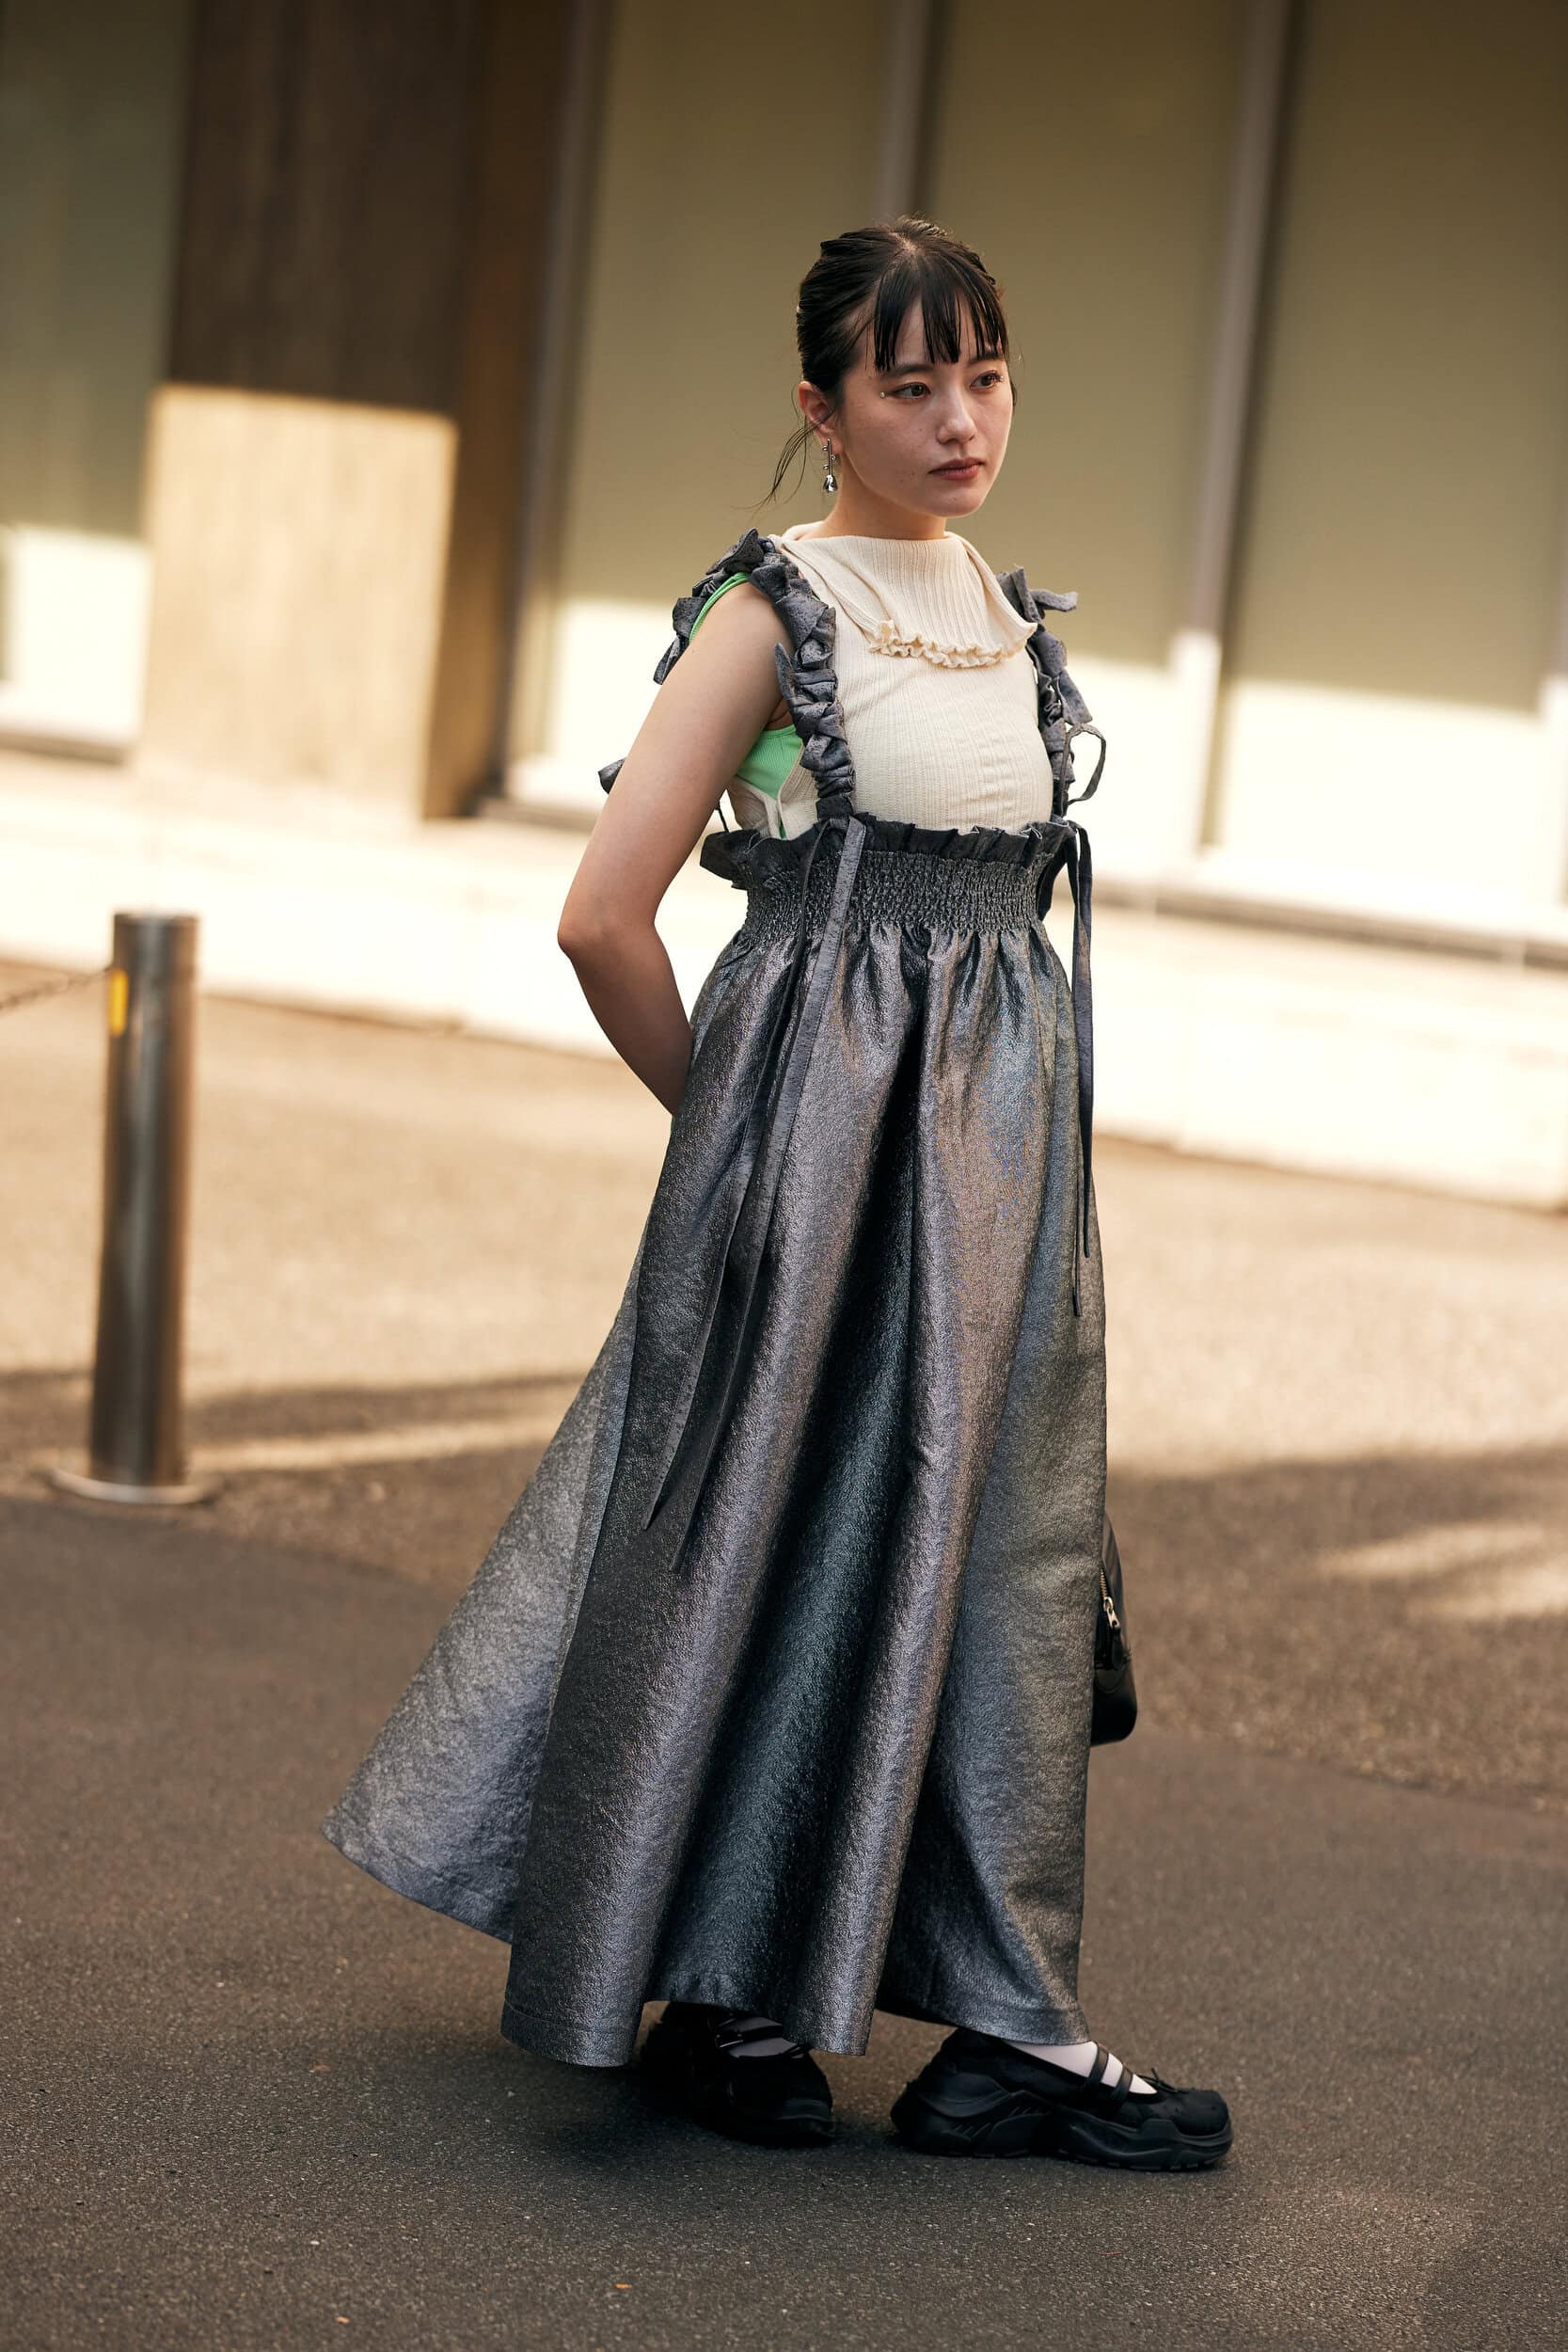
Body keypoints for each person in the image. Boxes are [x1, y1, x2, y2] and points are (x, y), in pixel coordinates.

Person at [320, 216, 1231, 2172]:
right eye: (913, 383)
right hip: (821, 1160)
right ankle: (721, 1989)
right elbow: (604, 912)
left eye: (986, 374)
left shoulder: (995, 604)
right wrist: (729, 1130)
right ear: (822, 407)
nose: (962, 417)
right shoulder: (771, 608)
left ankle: (1007, 2022)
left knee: (995, 1552)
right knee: (769, 1538)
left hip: (996, 1161)